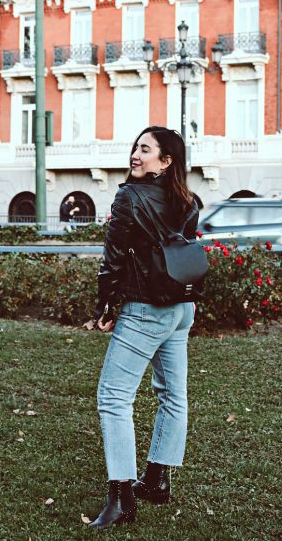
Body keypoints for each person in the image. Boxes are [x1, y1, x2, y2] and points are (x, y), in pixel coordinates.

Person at [89, 126, 200, 530]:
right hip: (181, 307)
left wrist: (104, 306)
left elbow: (113, 258)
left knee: (114, 397)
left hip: (145, 310)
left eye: (145, 149)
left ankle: (122, 498)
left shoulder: (128, 197)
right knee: (173, 394)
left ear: (165, 160)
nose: (135, 154)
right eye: (135, 147)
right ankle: (157, 479)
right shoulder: (187, 200)